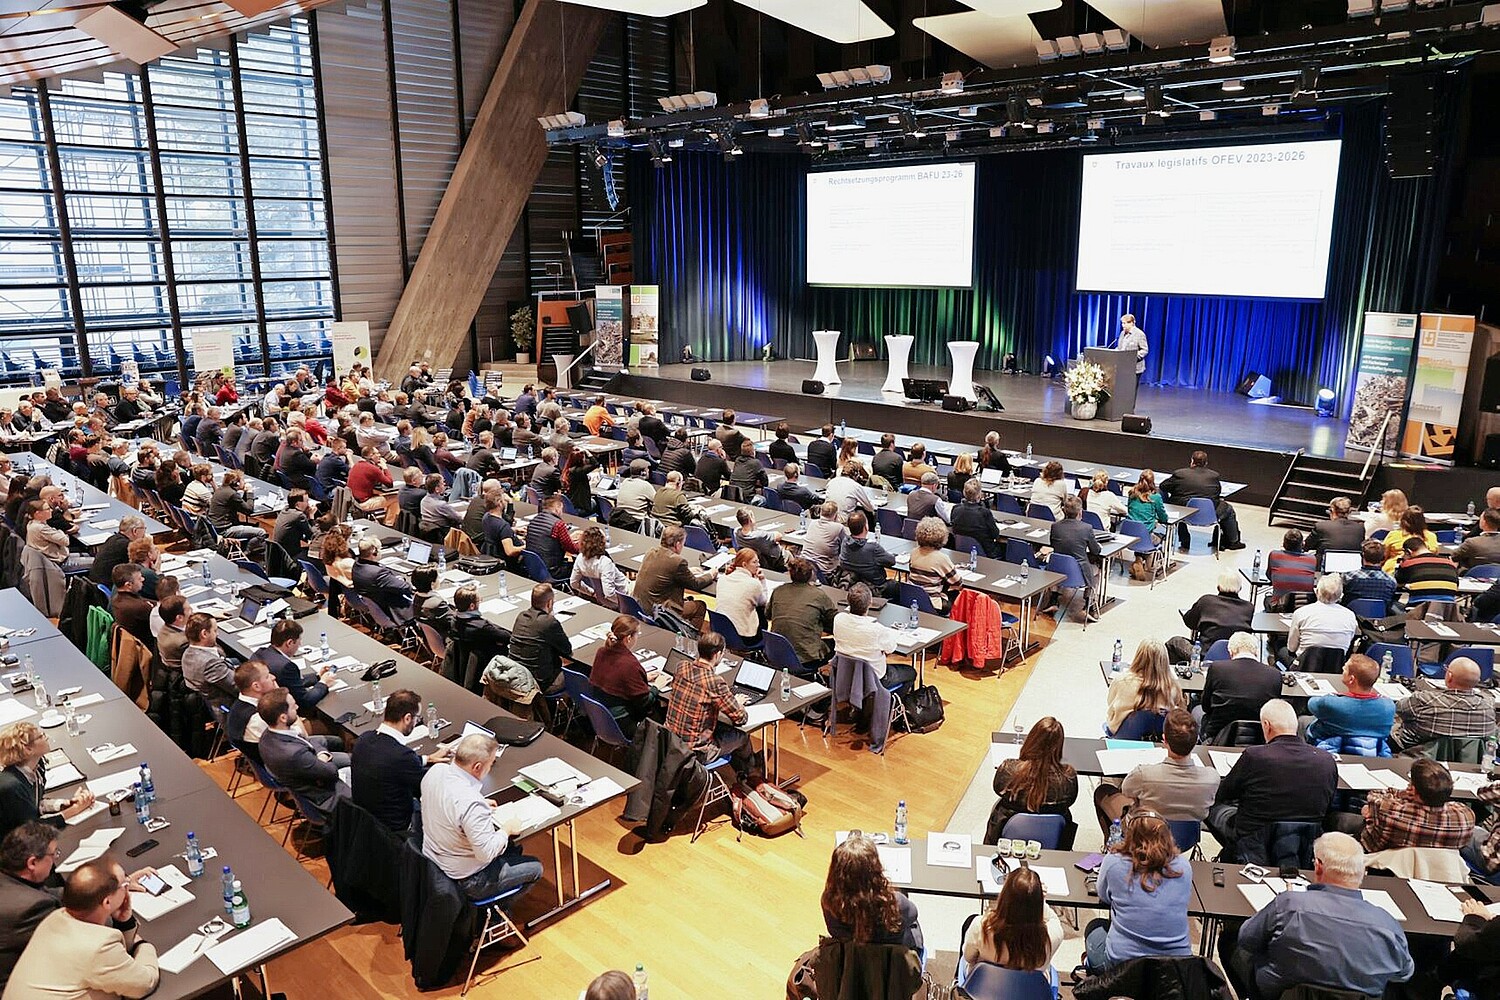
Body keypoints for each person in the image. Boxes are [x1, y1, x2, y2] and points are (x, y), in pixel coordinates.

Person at [1227, 833, 1414, 1000]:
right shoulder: (1388, 925)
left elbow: (1246, 940)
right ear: (1362, 873)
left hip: (1282, 993)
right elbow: (1404, 973)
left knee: (1229, 939)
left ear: (1318, 867)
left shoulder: (1288, 905)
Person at [5, 857, 160, 1000]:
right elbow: (145, 984)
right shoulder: (98, 947)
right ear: (107, 902)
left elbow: (119, 956)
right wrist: (144, 945)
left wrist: (124, 922)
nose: (127, 889)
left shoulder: (56, 917)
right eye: (125, 884)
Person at [1207, 700, 1337, 863]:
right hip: (1305, 843)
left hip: (1253, 839)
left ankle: (1229, 856)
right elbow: (1328, 803)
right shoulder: (1326, 760)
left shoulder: (1255, 756)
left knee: (1211, 804)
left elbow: (1224, 793)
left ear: (1266, 725)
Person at [420, 732, 541, 901]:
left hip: (432, 858)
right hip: (467, 878)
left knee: (512, 848)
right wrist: (506, 829)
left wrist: (479, 804)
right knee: (536, 868)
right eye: (491, 763)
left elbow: (448, 804)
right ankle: (494, 915)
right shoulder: (471, 803)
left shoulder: (436, 771)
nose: (491, 767)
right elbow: (486, 853)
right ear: (477, 767)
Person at [1083, 812, 1193, 973]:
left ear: (1129, 834)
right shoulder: (1184, 866)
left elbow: (1103, 895)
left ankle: (1095, 976)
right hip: (1177, 967)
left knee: (1095, 927)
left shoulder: (1114, 861)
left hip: (1123, 968)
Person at [1095, 711, 1219, 839]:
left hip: (1146, 835)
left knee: (1102, 791)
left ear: (1164, 740)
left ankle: (1114, 845)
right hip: (1185, 839)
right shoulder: (1212, 777)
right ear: (1195, 742)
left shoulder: (1142, 775)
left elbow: (1126, 791)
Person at [351, 689, 451, 833]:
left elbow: (389, 762)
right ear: (407, 718)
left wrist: (427, 759)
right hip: (396, 828)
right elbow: (429, 789)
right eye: (417, 717)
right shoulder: (402, 757)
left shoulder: (364, 739)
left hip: (368, 822)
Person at [256, 688, 350, 822]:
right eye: (294, 707)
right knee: (363, 769)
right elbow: (331, 772)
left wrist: (322, 754)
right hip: (325, 797)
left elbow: (306, 741)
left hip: (311, 770)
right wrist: (322, 758)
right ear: (283, 717)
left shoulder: (267, 736)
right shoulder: (293, 754)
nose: (297, 707)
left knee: (340, 748)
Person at [664, 632, 752, 772]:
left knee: (722, 727)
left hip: (671, 742)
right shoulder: (714, 682)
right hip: (696, 752)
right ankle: (751, 774)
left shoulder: (682, 667)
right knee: (742, 737)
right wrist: (738, 702)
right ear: (717, 654)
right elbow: (740, 718)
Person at [820, 832, 923, 951]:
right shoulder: (896, 902)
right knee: (914, 926)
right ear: (875, 869)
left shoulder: (828, 900)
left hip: (850, 962)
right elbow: (913, 914)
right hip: (892, 963)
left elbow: (833, 931)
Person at [985, 717, 1078, 847]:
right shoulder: (1069, 776)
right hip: (1054, 840)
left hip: (1006, 837)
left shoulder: (1008, 768)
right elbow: (1070, 801)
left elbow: (997, 789)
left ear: (1031, 739)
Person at [1360, 756, 1474, 852]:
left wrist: (1401, 794)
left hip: (1386, 861)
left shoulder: (1389, 811)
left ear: (1413, 790)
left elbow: (1373, 796)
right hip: (1440, 871)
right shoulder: (1466, 817)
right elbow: (1453, 805)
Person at [960, 865, 1063, 972]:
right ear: (1038, 903)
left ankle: (956, 979)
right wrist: (1037, 899)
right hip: (1027, 988)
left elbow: (968, 958)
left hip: (985, 986)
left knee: (969, 921)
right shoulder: (1052, 935)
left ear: (1005, 896)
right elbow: (1052, 918)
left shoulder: (981, 926)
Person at [0, 723, 95, 834]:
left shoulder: (38, 767)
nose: (47, 737)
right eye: (41, 737)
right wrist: (74, 810)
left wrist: (65, 804)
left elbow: (34, 804)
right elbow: (32, 829)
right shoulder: (12, 786)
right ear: (28, 749)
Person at [0, 822, 62, 993]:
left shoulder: (8, 880)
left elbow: (50, 892)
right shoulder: (32, 908)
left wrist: (102, 886)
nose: (55, 859)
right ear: (32, 862)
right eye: (54, 854)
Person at [1389, 656, 1496, 751]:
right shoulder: (1488, 706)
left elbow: (1398, 708)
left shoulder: (1424, 700)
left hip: (1415, 757)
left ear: (1449, 676)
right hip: (1470, 764)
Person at [1196, 631, 1283, 742]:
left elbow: (1206, 706)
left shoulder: (1217, 668)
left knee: (1197, 711)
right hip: (1260, 739)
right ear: (1256, 651)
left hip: (1218, 737)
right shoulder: (1274, 674)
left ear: (1231, 652)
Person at [765, 557, 836, 677]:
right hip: (806, 657)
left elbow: (768, 614)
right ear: (810, 575)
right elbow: (835, 622)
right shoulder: (819, 595)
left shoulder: (778, 591)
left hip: (776, 652)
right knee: (835, 643)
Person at [1303, 652, 1394, 746]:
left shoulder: (1329, 703)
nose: (1342, 668)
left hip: (1330, 747)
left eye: (1345, 668)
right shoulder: (1389, 705)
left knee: (1303, 720)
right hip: (1373, 751)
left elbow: (1311, 704)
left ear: (1351, 679)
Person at [587, 616, 657, 734]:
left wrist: (642, 678)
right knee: (659, 712)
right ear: (628, 638)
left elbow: (616, 677)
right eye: (637, 634)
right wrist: (656, 688)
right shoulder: (630, 664)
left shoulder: (601, 652)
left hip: (600, 717)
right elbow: (644, 703)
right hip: (621, 723)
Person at [632, 525, 713, 626]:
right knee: (700, 606)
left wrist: (688, 571)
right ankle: (691, 636)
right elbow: (695, 584)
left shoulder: (651, 552)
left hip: (639, 606)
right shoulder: (677, 561)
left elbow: (664, 570)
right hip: (660, 611)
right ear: (677, 544)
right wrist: (711, 575)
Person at [1103, 638, 1184, 736]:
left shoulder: (1122, 680)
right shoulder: (1173, 687)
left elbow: (1110, 703)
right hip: (1158, 739)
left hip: (1123, 736)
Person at [831, 583, 909, 685]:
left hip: (844, 674)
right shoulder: (877, 630)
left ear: (848, 602)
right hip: (874, 680)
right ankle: (891, 700)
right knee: (910, 672)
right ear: (870, 603)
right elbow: (891, 649)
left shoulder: (839, 619)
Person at [1041, 495, 1101, 621]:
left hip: (1058, 572)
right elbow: (1096, 551)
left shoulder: (1055, 526)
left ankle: (1053, 599)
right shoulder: (1087, 528)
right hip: (1079, 574)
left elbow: (1054, 545)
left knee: (1059, 561)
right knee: (1097, 571)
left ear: (1064, 510)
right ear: (1080, 512)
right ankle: (1089, 605)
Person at [254, 619, 334, 713]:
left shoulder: (260, 653)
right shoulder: (286, 666)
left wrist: (317, 676)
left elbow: (290, 683)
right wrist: (323, 684)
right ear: (289, 643)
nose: (300, 644)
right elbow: (305, 701)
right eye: (299, 641)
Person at [507, 584, 570, 695]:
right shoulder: (549, 622)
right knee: (581, 671)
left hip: (515, 676)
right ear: (549, 603)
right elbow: (566, 650)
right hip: (540, 684)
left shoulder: (521, 616)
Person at [181, 613, 236, 713]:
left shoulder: (188, 652)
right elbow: (238, 687)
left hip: (220, 682)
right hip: (227, 705)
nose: (217, 634)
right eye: (215, 631)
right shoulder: (210, 664)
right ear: (204, 634)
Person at [1181, 569, 1253, 645]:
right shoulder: (1248, 607)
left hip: (1206, 654)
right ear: (1240, 588)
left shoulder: (1206, 601)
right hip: (1237, 654)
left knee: (1174, 642)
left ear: (1218, 587)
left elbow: (1189, 622)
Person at [838, 511, 897, 599]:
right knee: (895, 586)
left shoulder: (845, 542)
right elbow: (892, 561)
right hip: (874, 588)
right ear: (866, 527)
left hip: (851, 585)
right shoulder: (873, 548)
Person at [907, 516, 961, 613]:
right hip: (933, 603)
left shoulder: (913, 552)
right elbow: (957, 582)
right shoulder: (942, 559)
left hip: (912, 598)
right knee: (956, 593)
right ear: (942, 537)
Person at [570, 526, 630, 609]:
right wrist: (625, 602)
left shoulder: (580, 558)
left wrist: (591, 593)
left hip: (602, 600)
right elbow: (609, 593)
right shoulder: (605, 562)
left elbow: (574, 583)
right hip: (625, 593)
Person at [352, 537, 414, 617]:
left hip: (377, 609)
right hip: (394, 611)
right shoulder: (378, 573)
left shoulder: (357, 565)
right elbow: (406, 588)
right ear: (374, 551)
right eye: (380, 549)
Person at [523, 494, 579, 581]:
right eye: (561, 508)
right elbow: (571, 549)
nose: (562, 512)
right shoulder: (558, 524)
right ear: (557, 507)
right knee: (580, 567)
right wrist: (583, 544)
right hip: (553, 571)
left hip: (533, 568)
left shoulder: (534, 520)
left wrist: (568, 538)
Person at [449, 584, 512, 661]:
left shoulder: (454, 620)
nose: (480, 602)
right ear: (472, 606)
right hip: (487, 662)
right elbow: (506, 637)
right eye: (479, 600)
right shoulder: (481, 627)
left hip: (462, 661)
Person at [1394, 534, 1460, 603]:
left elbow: (1398, 582)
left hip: (1419, 609)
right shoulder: (1449, 563)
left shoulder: (1409, 563)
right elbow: (1456, 586)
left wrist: (1401, 565)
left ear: (1408, 552)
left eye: (1404, 553)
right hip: (1446, 610)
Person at [1342, 538, 1399, 614]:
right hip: (1380, 619)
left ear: (1362, 555)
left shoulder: (1348, 577)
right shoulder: (1391, 581)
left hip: (1351, 616)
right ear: (1382, 558)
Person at [951, 478, 1004, 559]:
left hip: (960, 549)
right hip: (985, 552)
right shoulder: (984, 513)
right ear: (979, 494)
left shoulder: (955, 509)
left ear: (964, 492)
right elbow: (995, 534)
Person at [88, 515, 145, 586]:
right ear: (135, 531)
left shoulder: (112, 538)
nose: (144, 534)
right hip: (107, 587)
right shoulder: (127, 546)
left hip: (94, 584)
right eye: (144, 529)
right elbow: (140, 569)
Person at [1382, 505, 1438, 573]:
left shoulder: (1393, 535)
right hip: (1423, 571)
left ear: (1403, 520)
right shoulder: (1431, 536)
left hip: (1393, 571)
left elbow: (1382, 557)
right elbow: (1435, 557)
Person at [797, 501, 848, 575]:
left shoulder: (812, 523)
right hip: (824, 571)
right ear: (836, 515)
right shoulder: (838, 528)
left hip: (804, 566)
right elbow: (845, 548)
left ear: (820, 512)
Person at [272, 488, 314, 558]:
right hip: (290, 554)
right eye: (306, 501)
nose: (308, 504)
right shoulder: (299, 516)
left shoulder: (285, 509)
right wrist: (311, 516)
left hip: (279, 552)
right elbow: (311, 536)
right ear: (297, 505)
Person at [614, 460, 656, 524]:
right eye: (647, 470)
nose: (648, 471)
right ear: (643, 472)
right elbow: (656, 501)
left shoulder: (625, 482)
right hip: (638, 522)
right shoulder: (645, 485)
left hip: (621, 519)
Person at [1118, 313, 1148, 385]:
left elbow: (1145, 350)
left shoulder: (1139, 334)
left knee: (1131, 391)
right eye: (1122, 323)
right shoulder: (1122, 333)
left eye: (1124, 323)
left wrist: (1133, 356)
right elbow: (1120, 347)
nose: (1123, 325)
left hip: (1135, 369)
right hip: (1123, 368)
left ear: (1131, 323)